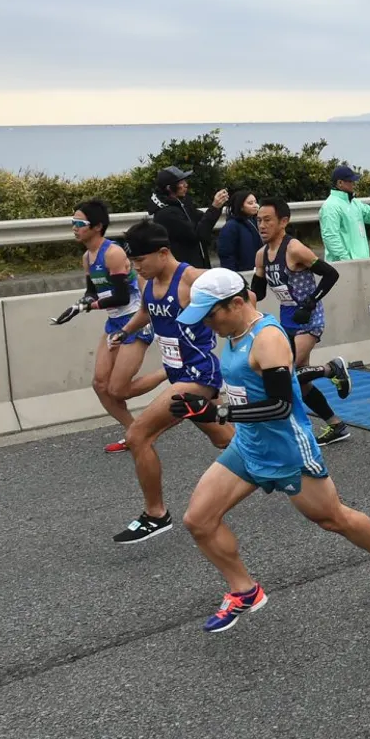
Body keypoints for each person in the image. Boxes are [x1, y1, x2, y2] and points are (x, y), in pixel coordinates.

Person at [170, 268, 370, 634]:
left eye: (210, 314)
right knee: (198, 520)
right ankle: (244, 590)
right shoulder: (233, 332)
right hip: (248, 444)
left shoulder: (266, 339)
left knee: (332, 518)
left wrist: (220, 413)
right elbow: (246, 388)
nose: (206, 323)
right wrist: (202, 403)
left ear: (236, 303)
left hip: (287, 449)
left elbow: (282, 405)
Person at [104, 218, 233, 544]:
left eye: (140, 261)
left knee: (137, 436)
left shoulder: (195, 279)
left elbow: (242, 297)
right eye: (132, 262)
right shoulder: (148, 282)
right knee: (226, 440)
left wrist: (250, 345)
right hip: (177, 374)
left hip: (198, 377)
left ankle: (156, 514)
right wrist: (125, 331)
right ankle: (287, 460)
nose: (136, 268)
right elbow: (147, 312)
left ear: (163, 252)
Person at [51, 199, 163, 452]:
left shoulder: (113, 253)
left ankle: (170, 371)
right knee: (100, 385)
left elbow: (122, 296)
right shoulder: (87, 258)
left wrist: (88, 306)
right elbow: (92, 293)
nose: (75, 228)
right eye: (73, 223)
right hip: (114, 322)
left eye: (80, 223)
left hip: (135, 321)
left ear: (97, 226)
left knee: (119, 389)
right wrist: (77, 306)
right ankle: (136, 434)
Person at [252, 198, 353, 446]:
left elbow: (331, 274)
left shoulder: (294, 248)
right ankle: (336, 424)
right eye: (258, 221)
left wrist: (310, 303)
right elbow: (259, 293)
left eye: (267, 220)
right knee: (301, 382)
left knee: (288, 373)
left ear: (283, 222)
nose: (262, 226)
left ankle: (332, 369)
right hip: (286, 318)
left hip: (309, 317)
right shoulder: (261, 255)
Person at [145, 166, 227, 269]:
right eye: (181, 183)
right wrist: (214, 208)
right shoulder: (166, 214)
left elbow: (201, 219)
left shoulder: (182, 203)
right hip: (184, 268)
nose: (186, 185)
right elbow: (197, 235)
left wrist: (216, 207)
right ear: (169, 188)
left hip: (197, 263)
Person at [319, 165, 370, 262]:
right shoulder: (330, 206)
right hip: (343, 265)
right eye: (350, 181)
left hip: (360, 261)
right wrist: (346, 260)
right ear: (340, 183)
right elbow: (331, 238)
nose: (353, 184)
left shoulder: (354, 203)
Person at [214, 191, 262, 272]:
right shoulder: (231, 226)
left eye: (255, 202)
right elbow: (226, 255)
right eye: (250, 203)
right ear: (241, 207)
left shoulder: (256, 222)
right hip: (242, 273)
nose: (255, 206)